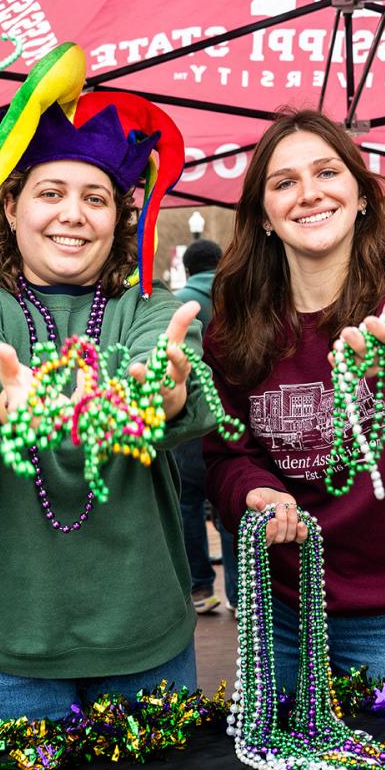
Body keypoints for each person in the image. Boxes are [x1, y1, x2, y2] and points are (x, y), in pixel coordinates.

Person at [0, 82, 215, 725]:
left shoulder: (152, 309)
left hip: (144, 646)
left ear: (121, 216)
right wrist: (2, 406)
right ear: (11, 206)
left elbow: (175, 374)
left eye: (95, 199)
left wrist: (163, 394)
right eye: (50, 194)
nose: (73, 214)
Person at [204, 108, 385, 686]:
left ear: (361, 197)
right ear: (264, 216)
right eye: (284, 183)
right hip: (283, 613)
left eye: (327, 173)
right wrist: (256, 490)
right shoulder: (235, 327)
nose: (309, 194)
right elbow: (226, 453)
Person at [174, 238, 225, 614]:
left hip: (190, 419)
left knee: (189, 503)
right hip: (235, 418)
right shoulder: (239, 294)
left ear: (188, 270)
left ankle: (200, 589)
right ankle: (242, 596)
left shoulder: (175, 302)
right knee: (233, 506)